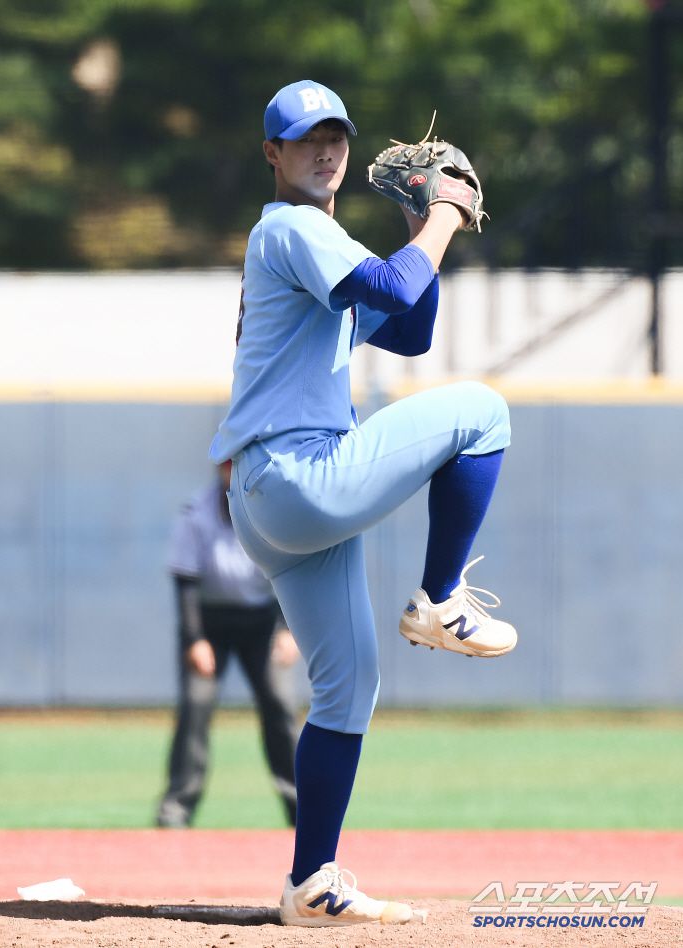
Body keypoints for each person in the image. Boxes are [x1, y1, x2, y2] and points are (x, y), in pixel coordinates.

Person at [209, 80, 517, 926]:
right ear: (272, 153)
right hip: (297, 475)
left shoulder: (317, 246)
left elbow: (408, 325)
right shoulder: (292, 227)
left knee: (347, 688)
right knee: (483, 412)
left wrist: (420, 229)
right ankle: (440, 598)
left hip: (270, 501)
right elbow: (392, 288)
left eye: (336, 135)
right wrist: (445, 214)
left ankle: (312, 882)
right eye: (306, 137)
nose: (326, 149)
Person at [156, 461, 299, 829]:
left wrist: (288, 629)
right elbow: (185, 581)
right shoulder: (197, 512)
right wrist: (195, 640)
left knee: (280, 704)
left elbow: (289, 575)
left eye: (238, 464)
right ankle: (176, 808)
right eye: (226, 464)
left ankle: (303, 808)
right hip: (209, 622)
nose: (231, 471)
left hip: (262, 621)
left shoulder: (271, 512)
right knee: (196, 704)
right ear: (219, 468)